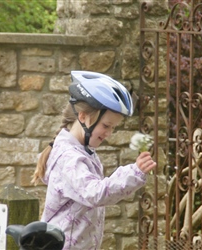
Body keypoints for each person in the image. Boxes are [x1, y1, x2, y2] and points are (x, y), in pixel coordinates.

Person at [32, 71, 156, 250]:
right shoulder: (69, 158)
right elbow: (94, 193)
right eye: (106, 125)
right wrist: (133, 172)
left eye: (113, 127)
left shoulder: (83, 152)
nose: (109, 133)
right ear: (82, 117)